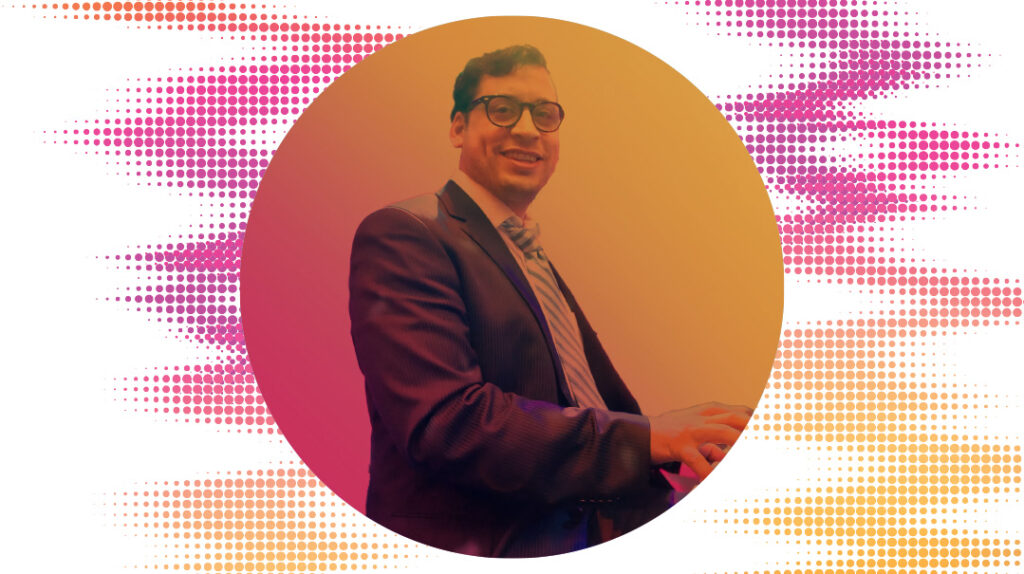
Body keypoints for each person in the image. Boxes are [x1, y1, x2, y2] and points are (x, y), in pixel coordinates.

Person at [348, 44, 751, 558]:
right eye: (502, 109)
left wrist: (689, 451)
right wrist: (649, 438)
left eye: (545, 115)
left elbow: (580, 409)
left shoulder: (527, 254)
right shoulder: (406, 232)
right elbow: (447, 424)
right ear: (457, 128)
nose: (527, 129)